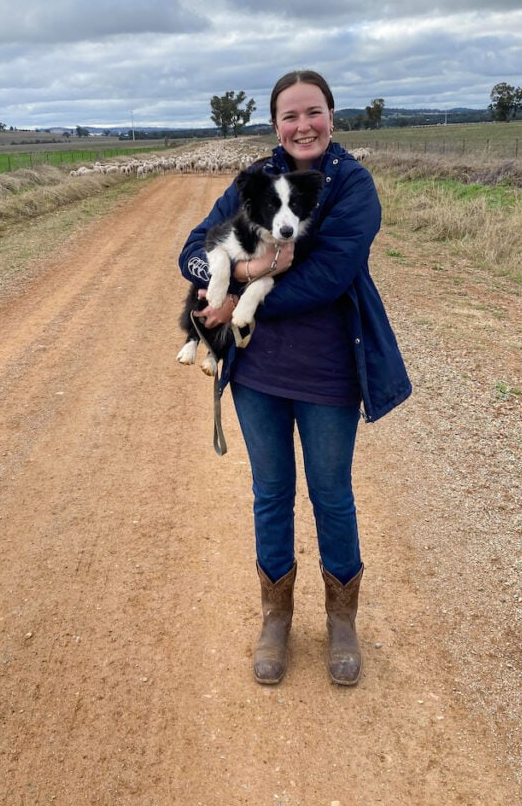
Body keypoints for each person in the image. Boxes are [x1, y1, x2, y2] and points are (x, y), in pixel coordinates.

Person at [178, 70, 411, 686]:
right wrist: (226, 271)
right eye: (289, 116)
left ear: (332, 116)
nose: (302, 125)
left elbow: (329, 276)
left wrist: (235, 298)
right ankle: (275, 618)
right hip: (257, 371)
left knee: (331, 494)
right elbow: (194, 251)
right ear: (275, 124)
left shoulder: (352, 186)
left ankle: (341, 622)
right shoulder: (253, 180)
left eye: (314, 112)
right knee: (271, 491)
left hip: (330, 369)